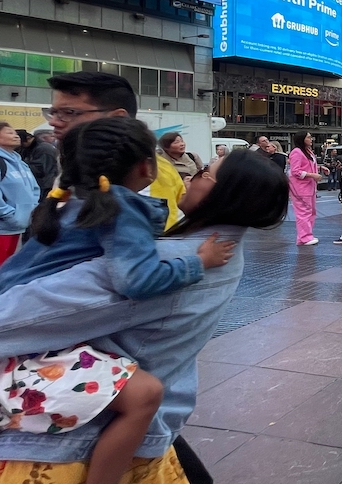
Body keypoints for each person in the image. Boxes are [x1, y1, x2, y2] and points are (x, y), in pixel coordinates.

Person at [0, 148, 288, 483]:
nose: (189, 178)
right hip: (142, 428)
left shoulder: (163, 263)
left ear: (225, 194)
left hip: (71, 442)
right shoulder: (226, 253)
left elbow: (22, 318)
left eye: (204, 172)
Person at [44, 72, 189, 231]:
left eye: (69, 112)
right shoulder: (80, 161)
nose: (54, 122)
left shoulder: (140, 171)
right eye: (53, 112)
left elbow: (146, 245)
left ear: (118, 118)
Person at [0, 122, 40, 266]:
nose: (15, 136)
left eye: (15, 133)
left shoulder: (20, 162)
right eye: (9, 133)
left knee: (7, 267)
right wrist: (9, 215)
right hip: (4, 227)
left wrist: (32, 208)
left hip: (18, 226)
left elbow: (34, 189)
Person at [288, 131, 328, 247]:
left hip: (309, 187)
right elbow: (295, 171)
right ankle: (305, 237)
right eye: (309, 137)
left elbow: (306, 166)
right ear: (302, 139)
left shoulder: (307, 151)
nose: (311, 139)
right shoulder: (297, 152)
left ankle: (304, 236)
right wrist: (312, 175)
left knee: (310, 212)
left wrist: (320, 168)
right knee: (304, 212)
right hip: (300, 188)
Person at [17, 128, 58, 200]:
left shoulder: (44, 148)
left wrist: (20, 166)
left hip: (46, 186)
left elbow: (41, 169)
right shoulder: (28, 147)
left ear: (28, 138)